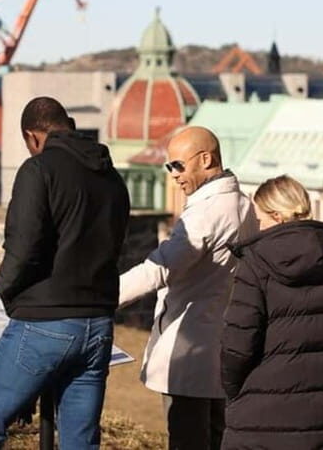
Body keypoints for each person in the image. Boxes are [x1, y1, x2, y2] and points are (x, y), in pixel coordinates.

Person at [0, 97, 131, 449]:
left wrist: (6, 292)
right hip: (98, 324)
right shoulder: (111, 176)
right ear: (67, 122)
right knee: (80, 443)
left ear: (32, 137)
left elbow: (23, 246)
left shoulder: (38, 170)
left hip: (44, 321)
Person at [220, 175, 323, 450]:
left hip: (258, 419)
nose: (258, 226)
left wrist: (234, 387)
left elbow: (238, 341)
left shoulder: (254, 263)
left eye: (261, 218)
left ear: (277, 215)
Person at [119, 126, 258, 450]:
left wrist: (99, 298)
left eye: (178, 165)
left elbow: (158, 268)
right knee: (217, 436)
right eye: (169, 167)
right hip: (223, 346)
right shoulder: (244, 205)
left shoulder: (205, 213)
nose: (173, 176)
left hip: (189, 347)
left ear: (205, 159)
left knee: (187, 439)